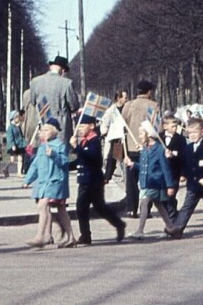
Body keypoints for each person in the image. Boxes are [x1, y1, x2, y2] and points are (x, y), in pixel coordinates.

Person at [72, 114, 126, 245]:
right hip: (85, 180)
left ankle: (87, 234)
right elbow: (80, 160)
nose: (79, 128)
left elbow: (90, 156)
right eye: (79, 126)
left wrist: (76, 147)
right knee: (90, 207)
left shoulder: (94, 141)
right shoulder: (85, 141)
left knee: (91, 207)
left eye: (83, 125)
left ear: (92, 126)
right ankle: (87, 234)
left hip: (93, 181)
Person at [24, 118, 75, 248]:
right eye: (42, 130)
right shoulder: (41, 147)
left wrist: (53, 155)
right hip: (43, 182)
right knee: (61, 210)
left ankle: (41, 236)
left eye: (46, 130)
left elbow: (64, 162)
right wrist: (28, 180)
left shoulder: (59, 146)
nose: (42, 133)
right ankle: (69, 237)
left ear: (53, 132)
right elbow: (35, 165)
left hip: (56, 181)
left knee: (43, 205)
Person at [126, 124, 180, 239]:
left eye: (141, 133)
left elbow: (166, 168)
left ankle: (140, 230)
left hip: (156, 182)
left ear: (148, 135)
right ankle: (171, 227)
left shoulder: (159, 149)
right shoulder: (145, 148)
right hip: (147, 182)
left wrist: (170, 185)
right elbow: (144, 166)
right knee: (159, 205)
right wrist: (133, 164)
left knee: (144, 202)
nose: (139, 136)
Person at [121, 80, 158, 218]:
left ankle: (131, 209)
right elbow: (156, 128)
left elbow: (122, 124)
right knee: (147, 178)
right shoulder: (153, 105)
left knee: (131, 180)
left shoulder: (128, 105)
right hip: (146, 146)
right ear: (149, 92)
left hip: (130, 146)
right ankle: (146, 209)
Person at [28, 55, 80, 144]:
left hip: (42, 124)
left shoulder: (35, 81)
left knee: (43, 152)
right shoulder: (67, 83)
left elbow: (33, 101)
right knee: (60, 153)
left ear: (51, 67)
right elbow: (74, 106)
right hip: (61, 127)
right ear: (63, 70)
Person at [161, 114, 186, 221]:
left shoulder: (180, 139)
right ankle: (172, 213)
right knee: (163, 198)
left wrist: (183, 174)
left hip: (174, 171)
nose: (175, 128)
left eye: (176, 126)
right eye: (172, 126)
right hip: (162, 173)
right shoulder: (158, 138)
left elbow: (184, 157)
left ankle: (172, 220)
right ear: (165, 126)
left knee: (171, 196)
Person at [101, 90, 129, 183]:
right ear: (118, 98)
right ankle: (107, 176)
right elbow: (106, 122)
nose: (126, 99)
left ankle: (126, 175)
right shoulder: (112, 110)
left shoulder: (127, 109)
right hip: (116, 137)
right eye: (124, 97)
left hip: (126, 136)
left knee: (125, 157)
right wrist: (105, 132)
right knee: (114, 157)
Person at [4, 110, 27, 178]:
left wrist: (24, 143)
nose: (18, 118)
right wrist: (12, 145)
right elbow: (10, 137)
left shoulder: (18, 126)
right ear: (13, 118)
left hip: (20, 145)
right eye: (16, 117)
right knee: (12, 160)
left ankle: (19, 173)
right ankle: (5, 168)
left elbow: (21, 136)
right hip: (14, 146)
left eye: (18, 117)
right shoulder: (11, 127)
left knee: (20, 159)